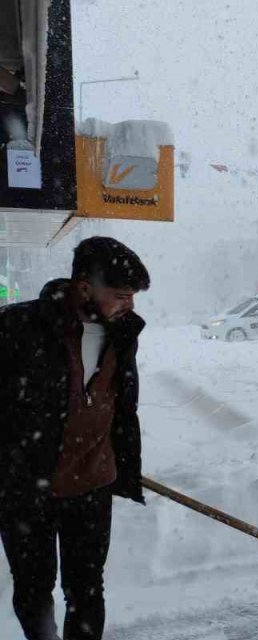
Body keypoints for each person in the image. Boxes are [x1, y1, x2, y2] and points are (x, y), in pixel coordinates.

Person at [0, 237, 150, 640]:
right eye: (120, 295)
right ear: (84, 287)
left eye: (132, 296)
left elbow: (120, 405)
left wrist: (121, 461)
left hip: (91, 487)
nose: (129, 306)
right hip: (26, 489)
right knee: (33, 588)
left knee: (86, 589)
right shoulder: (16, 327)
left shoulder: (122, 334)